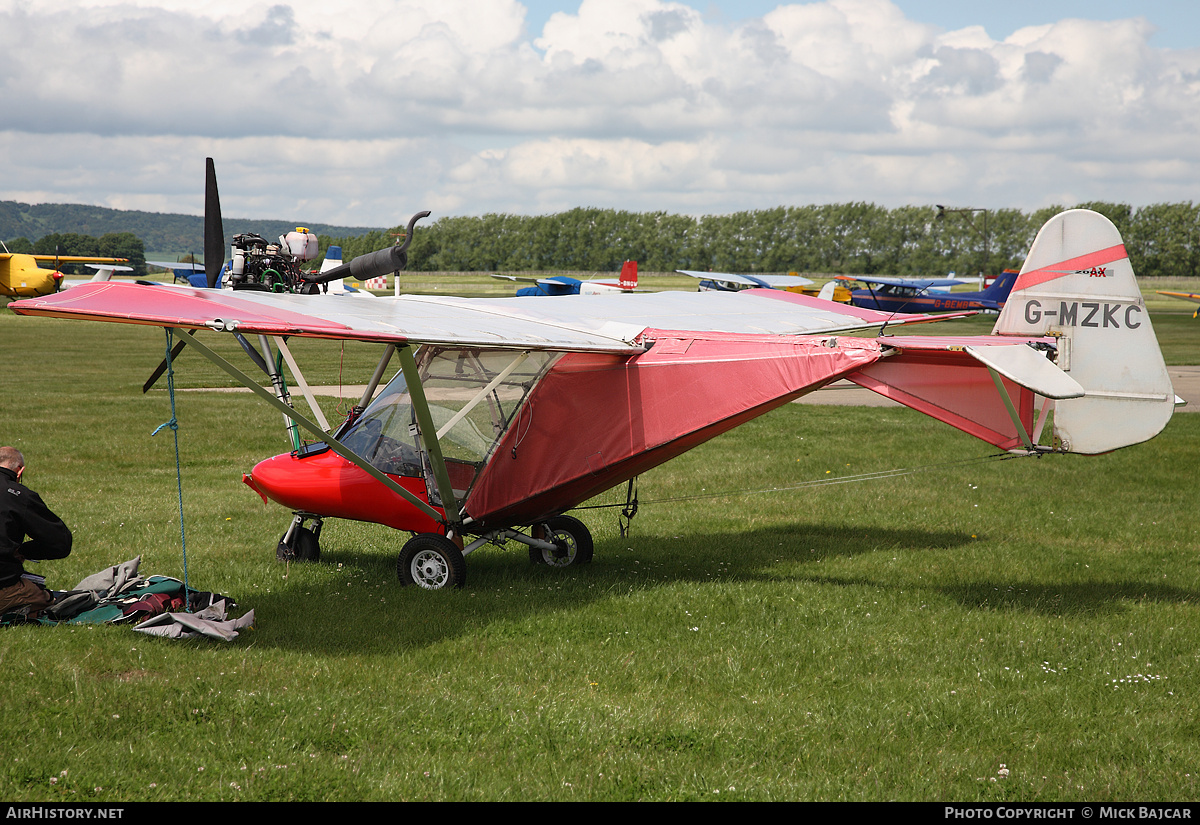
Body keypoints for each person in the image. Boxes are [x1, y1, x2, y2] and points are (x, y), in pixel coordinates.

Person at [0, 446, 73, 618]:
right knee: (43, 597)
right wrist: (24, 551)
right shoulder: (18, 495)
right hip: (4, 586)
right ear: (20, 471)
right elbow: (60, 542)